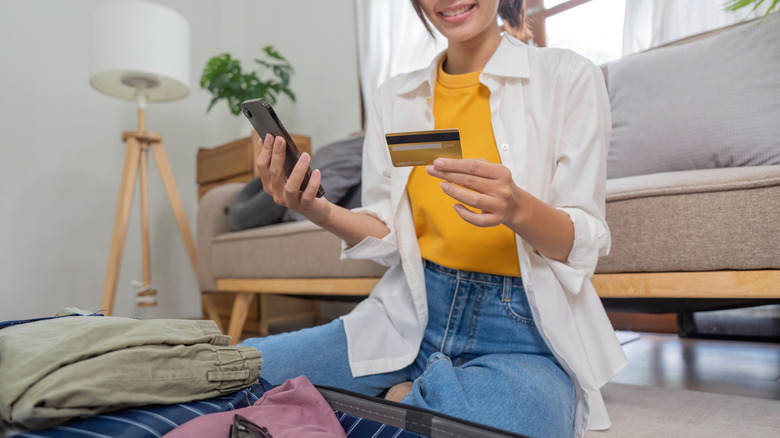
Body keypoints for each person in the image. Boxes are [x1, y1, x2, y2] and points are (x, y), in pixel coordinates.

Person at [239, 1, 627, 436]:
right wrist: (318, 209)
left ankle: (399, 401)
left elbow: (584, 242)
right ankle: (411, 404)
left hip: (523, 335)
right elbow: (389, 233)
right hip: (411, 313)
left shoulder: (569, 77)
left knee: (513, 423)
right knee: (245, 368)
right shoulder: (394, 97)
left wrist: (518, 207)